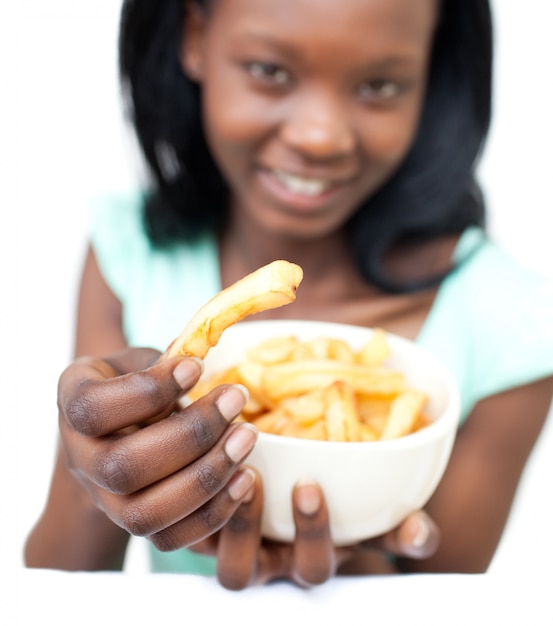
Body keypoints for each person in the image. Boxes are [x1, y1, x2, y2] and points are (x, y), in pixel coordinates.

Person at [25, 0, 553, 590]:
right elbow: (53, 592)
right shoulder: (128, 253)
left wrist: (351, 558)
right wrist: (92, 471)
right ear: (195, 37)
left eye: (379, 84)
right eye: (270, 71)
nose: (320, 136)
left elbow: (450, 603)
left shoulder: (514, 326)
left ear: (432, 75)